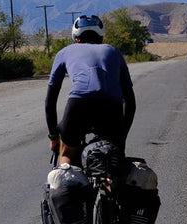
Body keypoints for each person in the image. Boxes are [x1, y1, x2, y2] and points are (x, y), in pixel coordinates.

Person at [45, 14, 136, 167]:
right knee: (112, 160)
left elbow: (50, 101)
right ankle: (109, 186)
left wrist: (54, 138)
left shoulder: (65, 52)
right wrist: (121, 137)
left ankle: (65, 178)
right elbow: (130, 102)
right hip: (111, 107)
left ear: (76, 38)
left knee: (66, 153)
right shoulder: (113, 52)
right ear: (101, 37)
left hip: (79, 104)